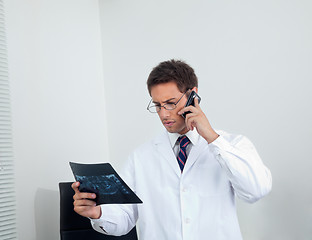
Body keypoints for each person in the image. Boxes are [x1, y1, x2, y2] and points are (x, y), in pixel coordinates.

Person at [72, 59, 272, 240]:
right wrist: (97, 213)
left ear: (193, 94)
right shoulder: (141, 157)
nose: (164, 114)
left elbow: (256, 190)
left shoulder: (231, 144)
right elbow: (124, 219)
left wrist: (211, 137)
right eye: (158, 105)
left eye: (170, 103)